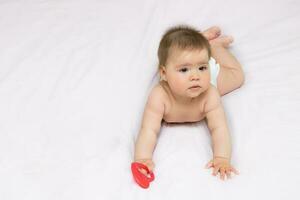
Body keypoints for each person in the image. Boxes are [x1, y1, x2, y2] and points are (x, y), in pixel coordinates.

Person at [133, 25, 244, 180]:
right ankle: (201, 44)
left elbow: (219, 128)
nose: (195, 76)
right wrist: (142, 158)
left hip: (208, 80)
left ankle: (215, 47)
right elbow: (148, 130)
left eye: (201, 67)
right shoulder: (160, 96)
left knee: (237, 76)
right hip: (180, 78)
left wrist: (222, 157)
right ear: (164, 73)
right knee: (187, 57)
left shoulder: (209, 92)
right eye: (184, 70)